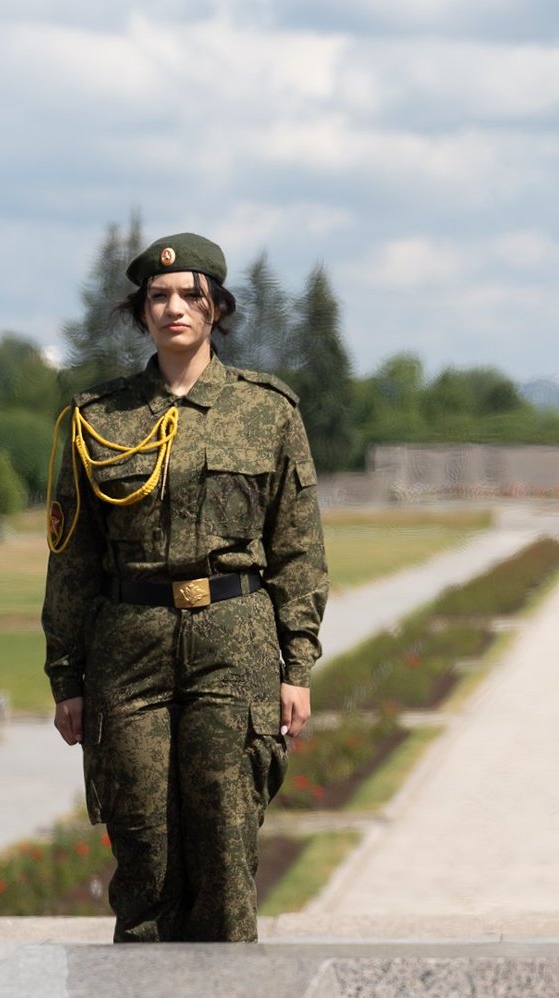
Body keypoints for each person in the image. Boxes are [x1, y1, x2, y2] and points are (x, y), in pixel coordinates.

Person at [42, 232, 328, 942]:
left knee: (226, 846)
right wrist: (64, 677)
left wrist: (298, 665)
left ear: (217, 308)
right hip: (127, 648)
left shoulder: (268, 412)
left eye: (190, 296)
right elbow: (72, 560)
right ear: (140, 311)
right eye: (158, 297)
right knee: (142, 851)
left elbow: (298, 549)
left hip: (235, 642)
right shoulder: (97, 420)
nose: (174, 308)